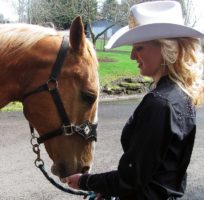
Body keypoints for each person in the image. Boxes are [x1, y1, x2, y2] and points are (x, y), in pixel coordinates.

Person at [66, 1, 204, 200]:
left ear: (167, 48)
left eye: (139, 48)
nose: (132, 55)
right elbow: (162, 173)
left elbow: (129, 179)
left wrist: (84, 181)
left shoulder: (160, 103)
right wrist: (109, 189)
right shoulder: (181, 96)